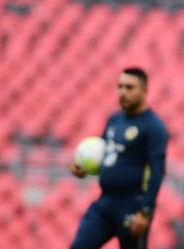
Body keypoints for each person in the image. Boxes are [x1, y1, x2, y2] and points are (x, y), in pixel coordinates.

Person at [69, 67, 169, 249]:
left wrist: (145, 211)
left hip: (132, 206)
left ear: (144, 90)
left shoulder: (154, 126)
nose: (123, 92)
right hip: (105, 201)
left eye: (129, 88)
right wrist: (82, 166)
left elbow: (157, 171)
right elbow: (104, 153)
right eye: (120, 86)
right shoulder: (115, 120)